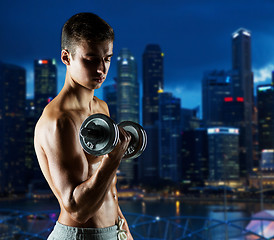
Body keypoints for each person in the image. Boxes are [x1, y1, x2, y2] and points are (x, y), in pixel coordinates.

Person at [34, 12, 133, 240]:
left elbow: (108, 187)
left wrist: (123, 228)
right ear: (66, 57)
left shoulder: (101, 108)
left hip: (113, 232)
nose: (101, 69)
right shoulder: (58, 120)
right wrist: (113, 159)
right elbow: (77, 209)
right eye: (90, 59)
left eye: (107, 58)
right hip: (79, 235)